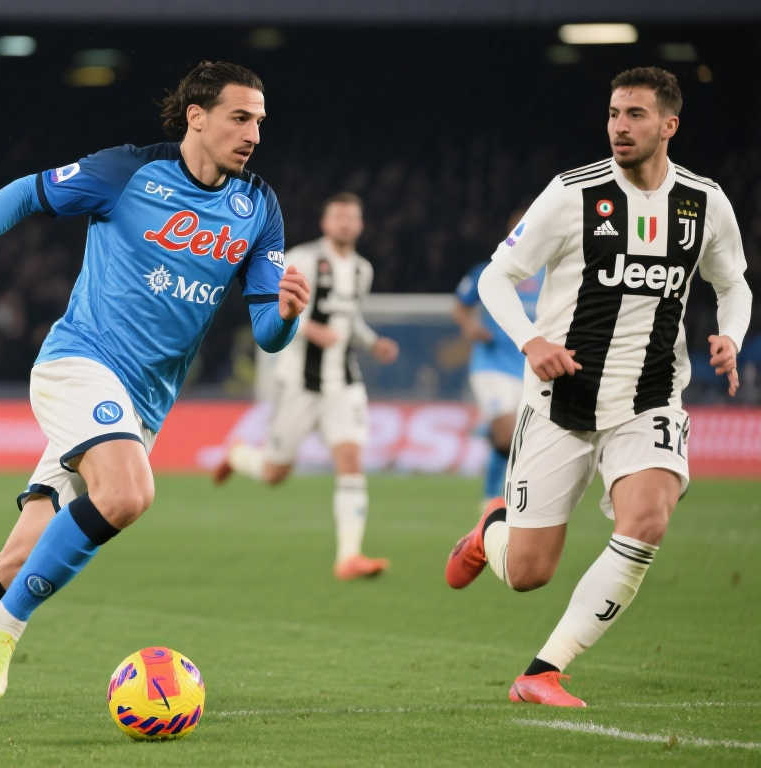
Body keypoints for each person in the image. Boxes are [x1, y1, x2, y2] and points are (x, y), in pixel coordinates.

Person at [0, 60, 310, 726]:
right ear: (197, 117)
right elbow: (24, 194)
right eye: (240, 117)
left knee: (18, 559)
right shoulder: (128, 172)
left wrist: (287, 315)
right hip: (79, 366)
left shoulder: (258, 207)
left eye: (259, 120)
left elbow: (268, 333)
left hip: (141, 407)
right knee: (129, 493)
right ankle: (2, 628)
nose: (254, 133)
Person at [444, 66, 751, 707]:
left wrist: (731, 333)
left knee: (647, 520)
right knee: (528, 572)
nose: (619, 126)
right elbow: (497, 278)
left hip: (650, 397)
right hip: (561, 401)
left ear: (669, 125)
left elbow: (733, 284)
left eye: (636, 114)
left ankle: (543, 671)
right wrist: (531, 341)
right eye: (614, 113)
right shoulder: (571, 194)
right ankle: (489, 533)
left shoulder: (704, 202)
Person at [213, 193, 399, 580]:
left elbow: (351, 320)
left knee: (350, 459)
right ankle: (238, 455)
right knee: (274, 473)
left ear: (360, 224)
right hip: (298, 383)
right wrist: (311, 330)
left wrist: (372, 342)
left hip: (343, 384)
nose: (345, 223)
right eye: (338, 216)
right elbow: (275, 309)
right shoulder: (301, 259)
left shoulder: (362, 270)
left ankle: (349, 557)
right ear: (325, 223)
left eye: (352, 217)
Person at [452, 211, 543, 507]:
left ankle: (496, 497)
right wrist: (471, 327)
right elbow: (461, 305)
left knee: (520, 439)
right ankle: (494, 497)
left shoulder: (551, 274)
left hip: (533, 368)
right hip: (492, 366)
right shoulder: (491, 270)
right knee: (507, 436)